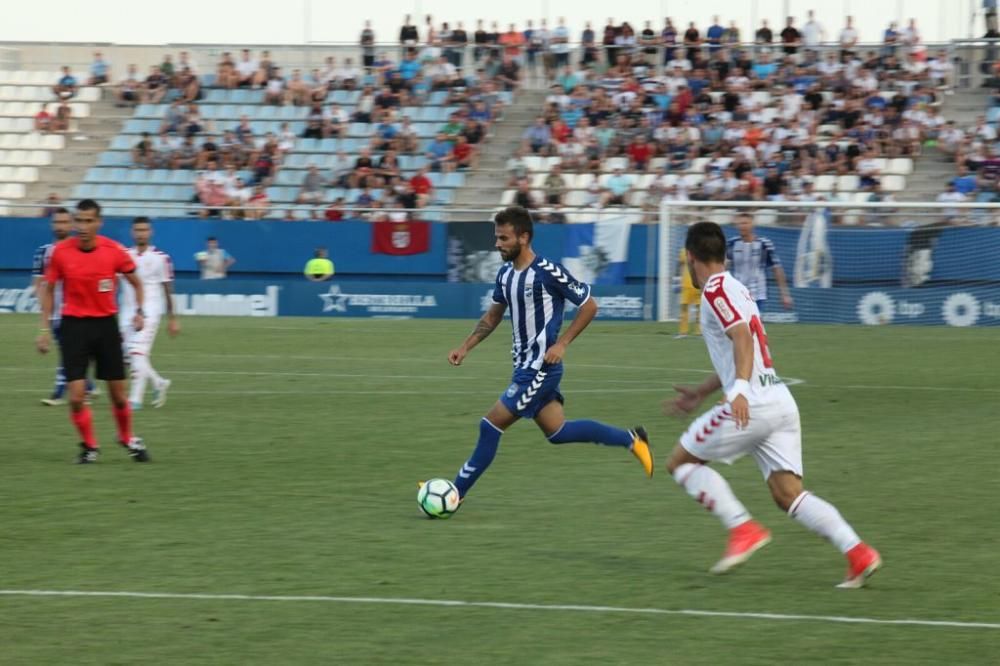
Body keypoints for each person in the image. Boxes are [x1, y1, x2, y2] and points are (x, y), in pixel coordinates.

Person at [663, 221, 880, 587]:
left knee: (680, 463)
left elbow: (743, 339)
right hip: (778, 399)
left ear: (690, 257)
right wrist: (702, 391)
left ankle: (742, 528)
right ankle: (858, 552)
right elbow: (740, 350)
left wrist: (740, 391)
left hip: (754, 403)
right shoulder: (738, 289)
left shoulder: (715, 290)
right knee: (788, 495)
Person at [435, 206, 654, 507]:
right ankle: (632, 439)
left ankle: (454, 494)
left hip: (540, 369)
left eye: (503, 238)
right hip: (522, 368)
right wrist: (466, 346)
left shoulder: (548, 272)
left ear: (523, 237)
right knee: (558, 432)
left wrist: (562, 344)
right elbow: (493, 316)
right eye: (496, 238)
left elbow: (590, 306)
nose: (497, 244)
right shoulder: (505, 275)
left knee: (490, 425)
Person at [35, 200, 150, 464]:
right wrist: (43, 329)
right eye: (79, 221)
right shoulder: (61, 253)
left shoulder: (114, 251)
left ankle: (127, 437)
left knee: (119, 397)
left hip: (105, 326)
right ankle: (89, 446)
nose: (83, 227)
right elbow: (49, 291)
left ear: (99, 222)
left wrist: (140, 311)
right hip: (73, 327)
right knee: (76, 398)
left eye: (89, 221)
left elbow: (136, 282)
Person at [33, 208, 96, 406]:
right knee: (70, 352)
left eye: (64, 222)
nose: (60, 226)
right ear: (52, 225)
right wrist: (44, 309)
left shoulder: (81, 248)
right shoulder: (43, 252)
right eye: (57, 222)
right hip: (54, 311)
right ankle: (88, 386)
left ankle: (59, 393)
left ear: (72, 224)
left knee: (68, 351)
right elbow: (38, 283)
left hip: (76, 310)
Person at [120, 217, 180, 410]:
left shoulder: (161, 258)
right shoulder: (123, 255)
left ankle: (135, 400)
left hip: (150, 311)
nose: (141, 233)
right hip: (126, 312)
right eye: (137, 230)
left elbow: (168, 290)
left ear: (151, 232)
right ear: (132, 232)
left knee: (137, 351)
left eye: (144, 229)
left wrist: (172, 318)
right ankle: (158, 382)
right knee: (128, 357)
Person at [726, 212, 793, 312]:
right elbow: (723, 267)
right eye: (740, 223)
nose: (742, 226)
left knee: (753, 326)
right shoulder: (732, 243)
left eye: (745, 223)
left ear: (753, 224)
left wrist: (784, 294)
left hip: (757, 294)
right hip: (737, 293)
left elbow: (777, 269)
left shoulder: (764, 244)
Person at [676, 246, 700, 338]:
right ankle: (683, 332)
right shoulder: (683, 251)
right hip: (685, 284)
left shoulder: (700, 250)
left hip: (697, 284)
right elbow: (680, 266)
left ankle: (699, 332)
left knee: (699, 309)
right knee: (684, 308)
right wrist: (678, 280)